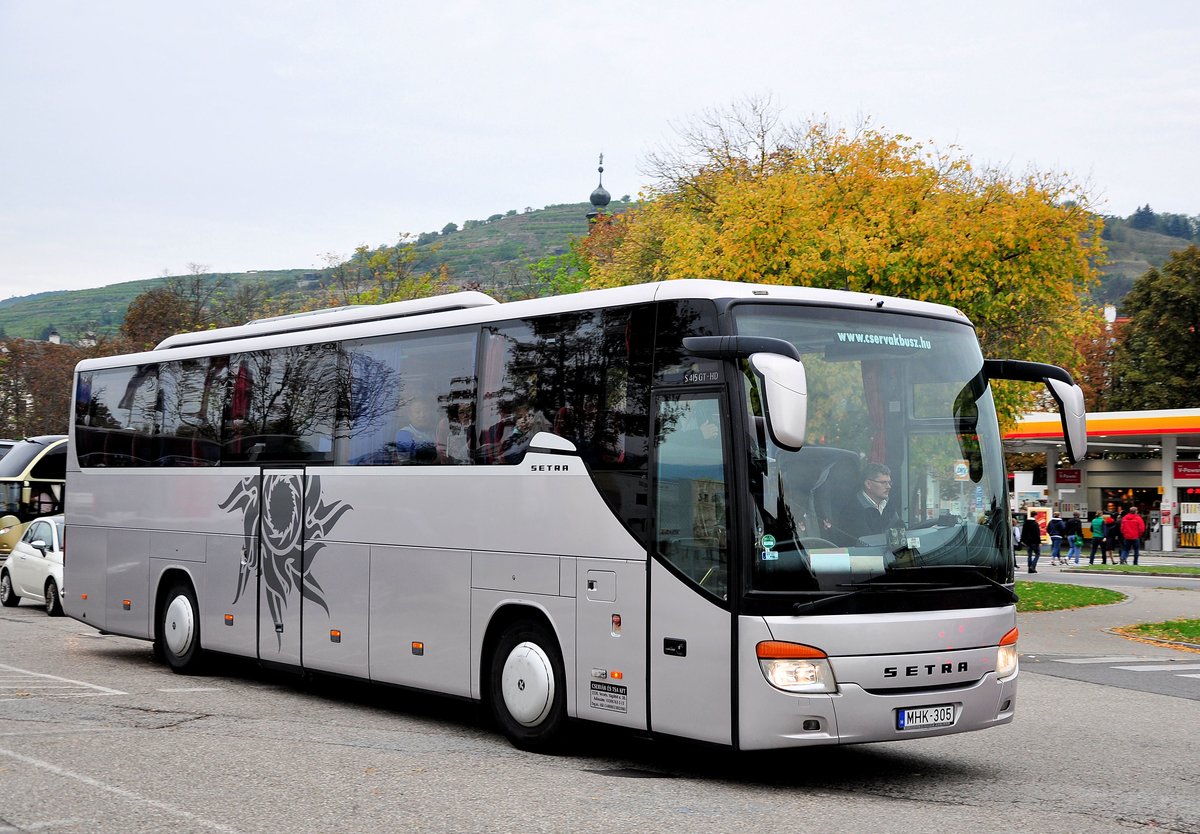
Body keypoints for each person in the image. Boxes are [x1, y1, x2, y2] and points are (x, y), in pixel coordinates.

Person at [841, 462, 898, 540]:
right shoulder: (852, 510)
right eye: (883, 482)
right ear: (868, 484)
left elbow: (902, 533)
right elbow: (866, 543)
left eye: (889, 482)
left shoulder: (889, 505)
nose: (888, 487)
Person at [394, 397, 439, 463]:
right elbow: (412, 457)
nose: (422, 415)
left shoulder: (433, 432)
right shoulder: (404, 433)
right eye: (417, 412)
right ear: (410, 415)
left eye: (426, 411)